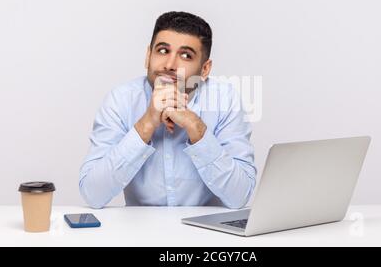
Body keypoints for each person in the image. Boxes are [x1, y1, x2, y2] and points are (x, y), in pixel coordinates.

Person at [79, 11, 256, 209]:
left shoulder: (225, 100)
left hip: (207, 236)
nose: (170, 65)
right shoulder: (121, 100)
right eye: (163, 51)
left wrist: (196, 128)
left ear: (205, 69)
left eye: (186, 55)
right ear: (148, 56)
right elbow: (92, 193)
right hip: (139, 234)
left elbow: (239, 197)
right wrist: (146, 124)